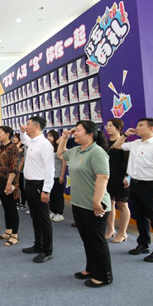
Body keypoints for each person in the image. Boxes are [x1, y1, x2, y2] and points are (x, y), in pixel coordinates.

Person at [58, 121, 113, 288]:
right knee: (87, 240)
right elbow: (60, 154)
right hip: (78, 203)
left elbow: (103, 177)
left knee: (97, 241)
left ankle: (104, 276)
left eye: (78, 130)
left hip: (95, 205)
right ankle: (91, 269)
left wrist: (96, 201)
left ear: (90, 134)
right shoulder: (76, 150)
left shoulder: (97, 152)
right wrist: (64, 137)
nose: (75, 133)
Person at [112, 118, 153, 262]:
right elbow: (116, 145)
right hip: (135, 185)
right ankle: (143, 244)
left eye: (140, 125)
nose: (137, 127)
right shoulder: (135, 144)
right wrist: (126, 134)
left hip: (151, 186)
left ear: (151, 128)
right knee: (140, 217)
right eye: (137, 125)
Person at [20, 116, 55, 263]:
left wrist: (46, 190)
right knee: (35, 217)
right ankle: (38, 245)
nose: (25, 126)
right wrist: (22, 132)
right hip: (30, 184)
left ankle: (47, 250)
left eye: (28, 124)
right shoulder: (33, 141)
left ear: (36, 127)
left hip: (40, 186)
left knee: (43, 219)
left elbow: (50, 168)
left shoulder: (45, 144)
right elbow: (24, 140)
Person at [104, 119, 131, 243]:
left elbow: (129, 162)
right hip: (106, 177)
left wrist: (128, 177)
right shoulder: (104, 142)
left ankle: (123, 233)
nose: (107, 128)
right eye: (107, 125)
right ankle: (111, 229)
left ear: (118, 128)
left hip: (120, 177)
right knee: (109, 203)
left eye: (111, 126)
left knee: (122, 204)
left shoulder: (125, 143)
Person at [47, 130, 67, 222]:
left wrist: (62, 175)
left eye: (50, 136)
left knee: (58, 194)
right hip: (49, 175)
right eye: (48, 135)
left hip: (57, 174)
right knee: (51, 194)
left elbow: (63, 162)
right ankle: (53, 211)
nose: (48, 137)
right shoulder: (48, 147)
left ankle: (59, 213)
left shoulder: (59, 147)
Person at [13, 133, 27, 211]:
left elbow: (22, 160)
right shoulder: (13, 146)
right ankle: (17, 203)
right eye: (13, 137)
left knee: (21, 188)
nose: (14, 139)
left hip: (20, 171)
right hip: (14, 170)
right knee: (16, 187)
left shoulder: (23, 148)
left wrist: (18, 170)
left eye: (16, 137)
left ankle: (23, 204)